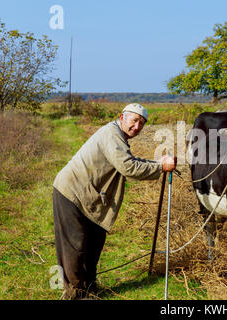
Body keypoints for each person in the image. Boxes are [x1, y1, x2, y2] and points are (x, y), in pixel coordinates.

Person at [52, 103, 176, 299]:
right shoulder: (111, 134)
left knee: (94, 242)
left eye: (141, 124)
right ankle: (76, 294)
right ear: (122, 117)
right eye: (134, 121)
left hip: (88, 196)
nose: (137, 127)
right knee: (75, 247)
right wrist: (160, 168)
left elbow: (129, 160)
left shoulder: (118, 137)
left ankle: (89, 288)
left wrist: (157, 164)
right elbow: (128, 167)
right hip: (71, 192)